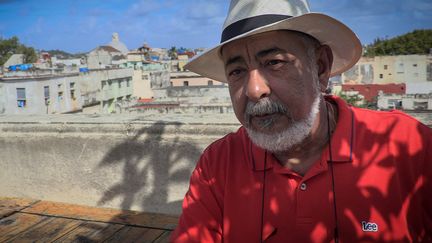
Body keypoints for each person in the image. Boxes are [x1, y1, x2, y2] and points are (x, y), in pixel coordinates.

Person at [170, 0, 432, 242]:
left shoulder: (408, 145)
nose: (254, 90)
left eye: (274, 62)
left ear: (320, 67)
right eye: (237, 71)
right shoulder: (219, 163)